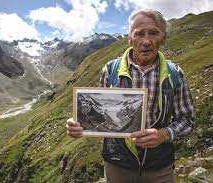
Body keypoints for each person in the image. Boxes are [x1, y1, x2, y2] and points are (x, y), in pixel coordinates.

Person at [66, 9, 194, 183]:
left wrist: (163, 134)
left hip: (159, 167)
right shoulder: (110, 70)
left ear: (163, 38)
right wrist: (78, 125)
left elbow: (187, 119)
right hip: (117, 165)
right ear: (129, 38)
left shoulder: (175, 74)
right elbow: (96, 112)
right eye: (139, 34)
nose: (146, 41)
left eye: (154, 33)